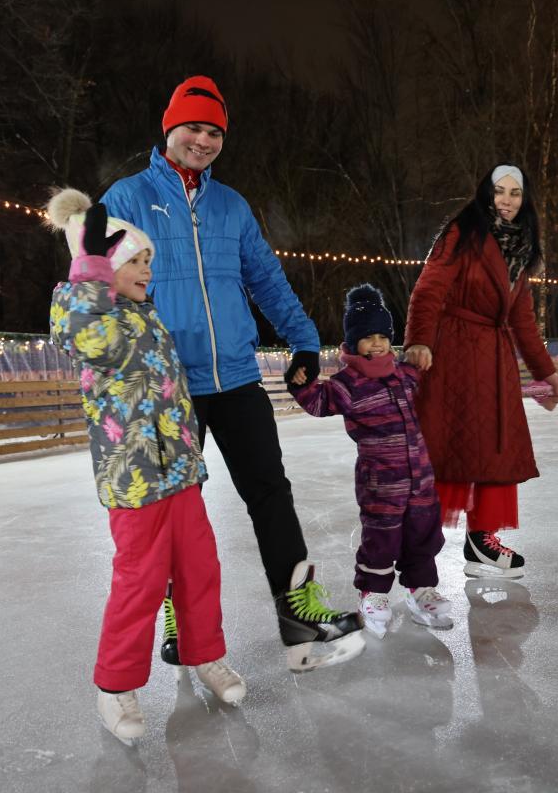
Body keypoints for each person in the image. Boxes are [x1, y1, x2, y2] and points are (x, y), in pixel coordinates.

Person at [100, 75, 364, 672]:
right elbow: (96, 283)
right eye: (193, 127)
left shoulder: (231, 206)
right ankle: (179, 619)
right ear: (169, 129)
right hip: (166, 387)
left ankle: (300, 611)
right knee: (173, 510)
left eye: (215, 131)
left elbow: (265, 278)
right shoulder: (125, 198)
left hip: (238, 379)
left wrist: (302, 339)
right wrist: (119, 365)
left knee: (271, 494)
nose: (203, 140)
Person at [46, 190, 245, 744]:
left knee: (200, 569)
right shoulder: (86, 313)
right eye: (136, 260)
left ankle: (206, 655)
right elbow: (90, 337)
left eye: (149, 261)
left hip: (179, 473)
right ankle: (116, 687)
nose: (147, 270)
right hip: (134, 481)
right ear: (102, 265)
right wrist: (87, 273)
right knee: (140, 580)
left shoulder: (144, 315)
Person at [403, 164, 558, 579]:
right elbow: (428, 289)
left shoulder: (521, 248)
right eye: (499, 191)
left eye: (515, 193)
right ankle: (418, 540)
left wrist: (547, 375)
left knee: (497, 448)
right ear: (485, 194)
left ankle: (482, 542)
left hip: (495, 358)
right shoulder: (462, 232)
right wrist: (418, 340)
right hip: (454, 353)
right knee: (449, 446)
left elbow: (523, 319)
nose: (506, 200)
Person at [288, 284, 450, 638]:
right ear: (352, 343)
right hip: (380, 483)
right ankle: (373, 594)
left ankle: (421, 590)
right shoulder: (348, 383)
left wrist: (426, 353)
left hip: (420, 478)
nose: (376, 344)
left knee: (423, 535)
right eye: (367, 337)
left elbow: (437, 383)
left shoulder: (405, 373)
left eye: (382, 336)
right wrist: (302, 384)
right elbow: (320, 403)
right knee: (382, 539)